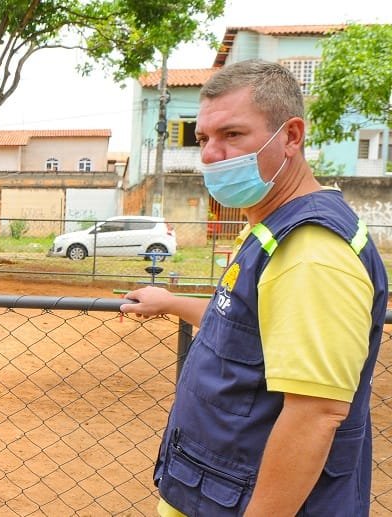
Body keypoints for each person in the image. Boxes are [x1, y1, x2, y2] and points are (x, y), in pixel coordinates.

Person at [120, 59, 387, 516]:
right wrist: (172, 302)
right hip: (214, 492)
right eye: (203, 138)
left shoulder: (311, 252)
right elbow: (251, 329)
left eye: (232, 134)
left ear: (291, 136)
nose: (210, 154)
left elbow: (315, 414)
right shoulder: (271, 227)